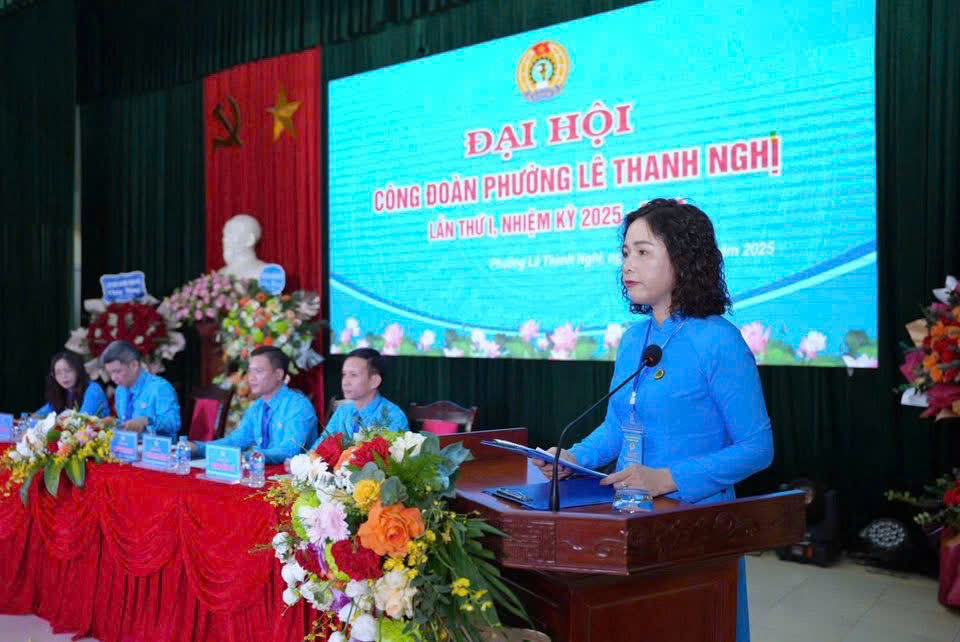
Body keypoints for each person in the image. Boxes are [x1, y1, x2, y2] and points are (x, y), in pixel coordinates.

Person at [532, 198, 773, 642]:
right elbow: (616, 427)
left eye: (643, 252)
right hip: (630, 520)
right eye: (626, 252)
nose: (628, 265)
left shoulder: (719, 341)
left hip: (695, 526)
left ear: (683, 259)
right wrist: (573, 458)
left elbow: (758, 449)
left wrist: (668, 478)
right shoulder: (633, 339)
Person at [193, 346, 317, 464]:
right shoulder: (258, 406)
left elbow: (289, 450)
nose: (251, 378)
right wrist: (197, 448)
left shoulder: (298, 406)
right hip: (261, 472)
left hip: (292, 477)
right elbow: (236, 441)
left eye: (258, 371)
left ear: (278, 374)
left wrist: (246, 456)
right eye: (250, 371)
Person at [312, 347, 408, 447]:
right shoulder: (342, 411)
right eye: (344, 374)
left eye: (353, 375)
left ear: (374, 381)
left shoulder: (393, 416)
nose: (345, 382)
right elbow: (319, 447)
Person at [101, 340, 181, 437]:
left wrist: (148, 421)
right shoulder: (120, 390)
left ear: (134, 365)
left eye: (117, 371)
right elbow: (127, 423)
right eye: (110, 373)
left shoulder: (160, 387)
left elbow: (174, 422)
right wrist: (114, 423)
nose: (113, 378)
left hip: (156, 445)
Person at [36, 351, 108, 417]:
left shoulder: (93, 389)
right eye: (58, 373)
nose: (64, 376)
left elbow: (82, 419)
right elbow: (37, 416)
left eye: (68, 370)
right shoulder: (63, 392)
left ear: (78, 370)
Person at [220, 213, 268, 280]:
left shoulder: (265, 272)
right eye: (225, 235)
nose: (225, 239)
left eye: (231, 234)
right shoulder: (221, 273)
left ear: (250, 240)